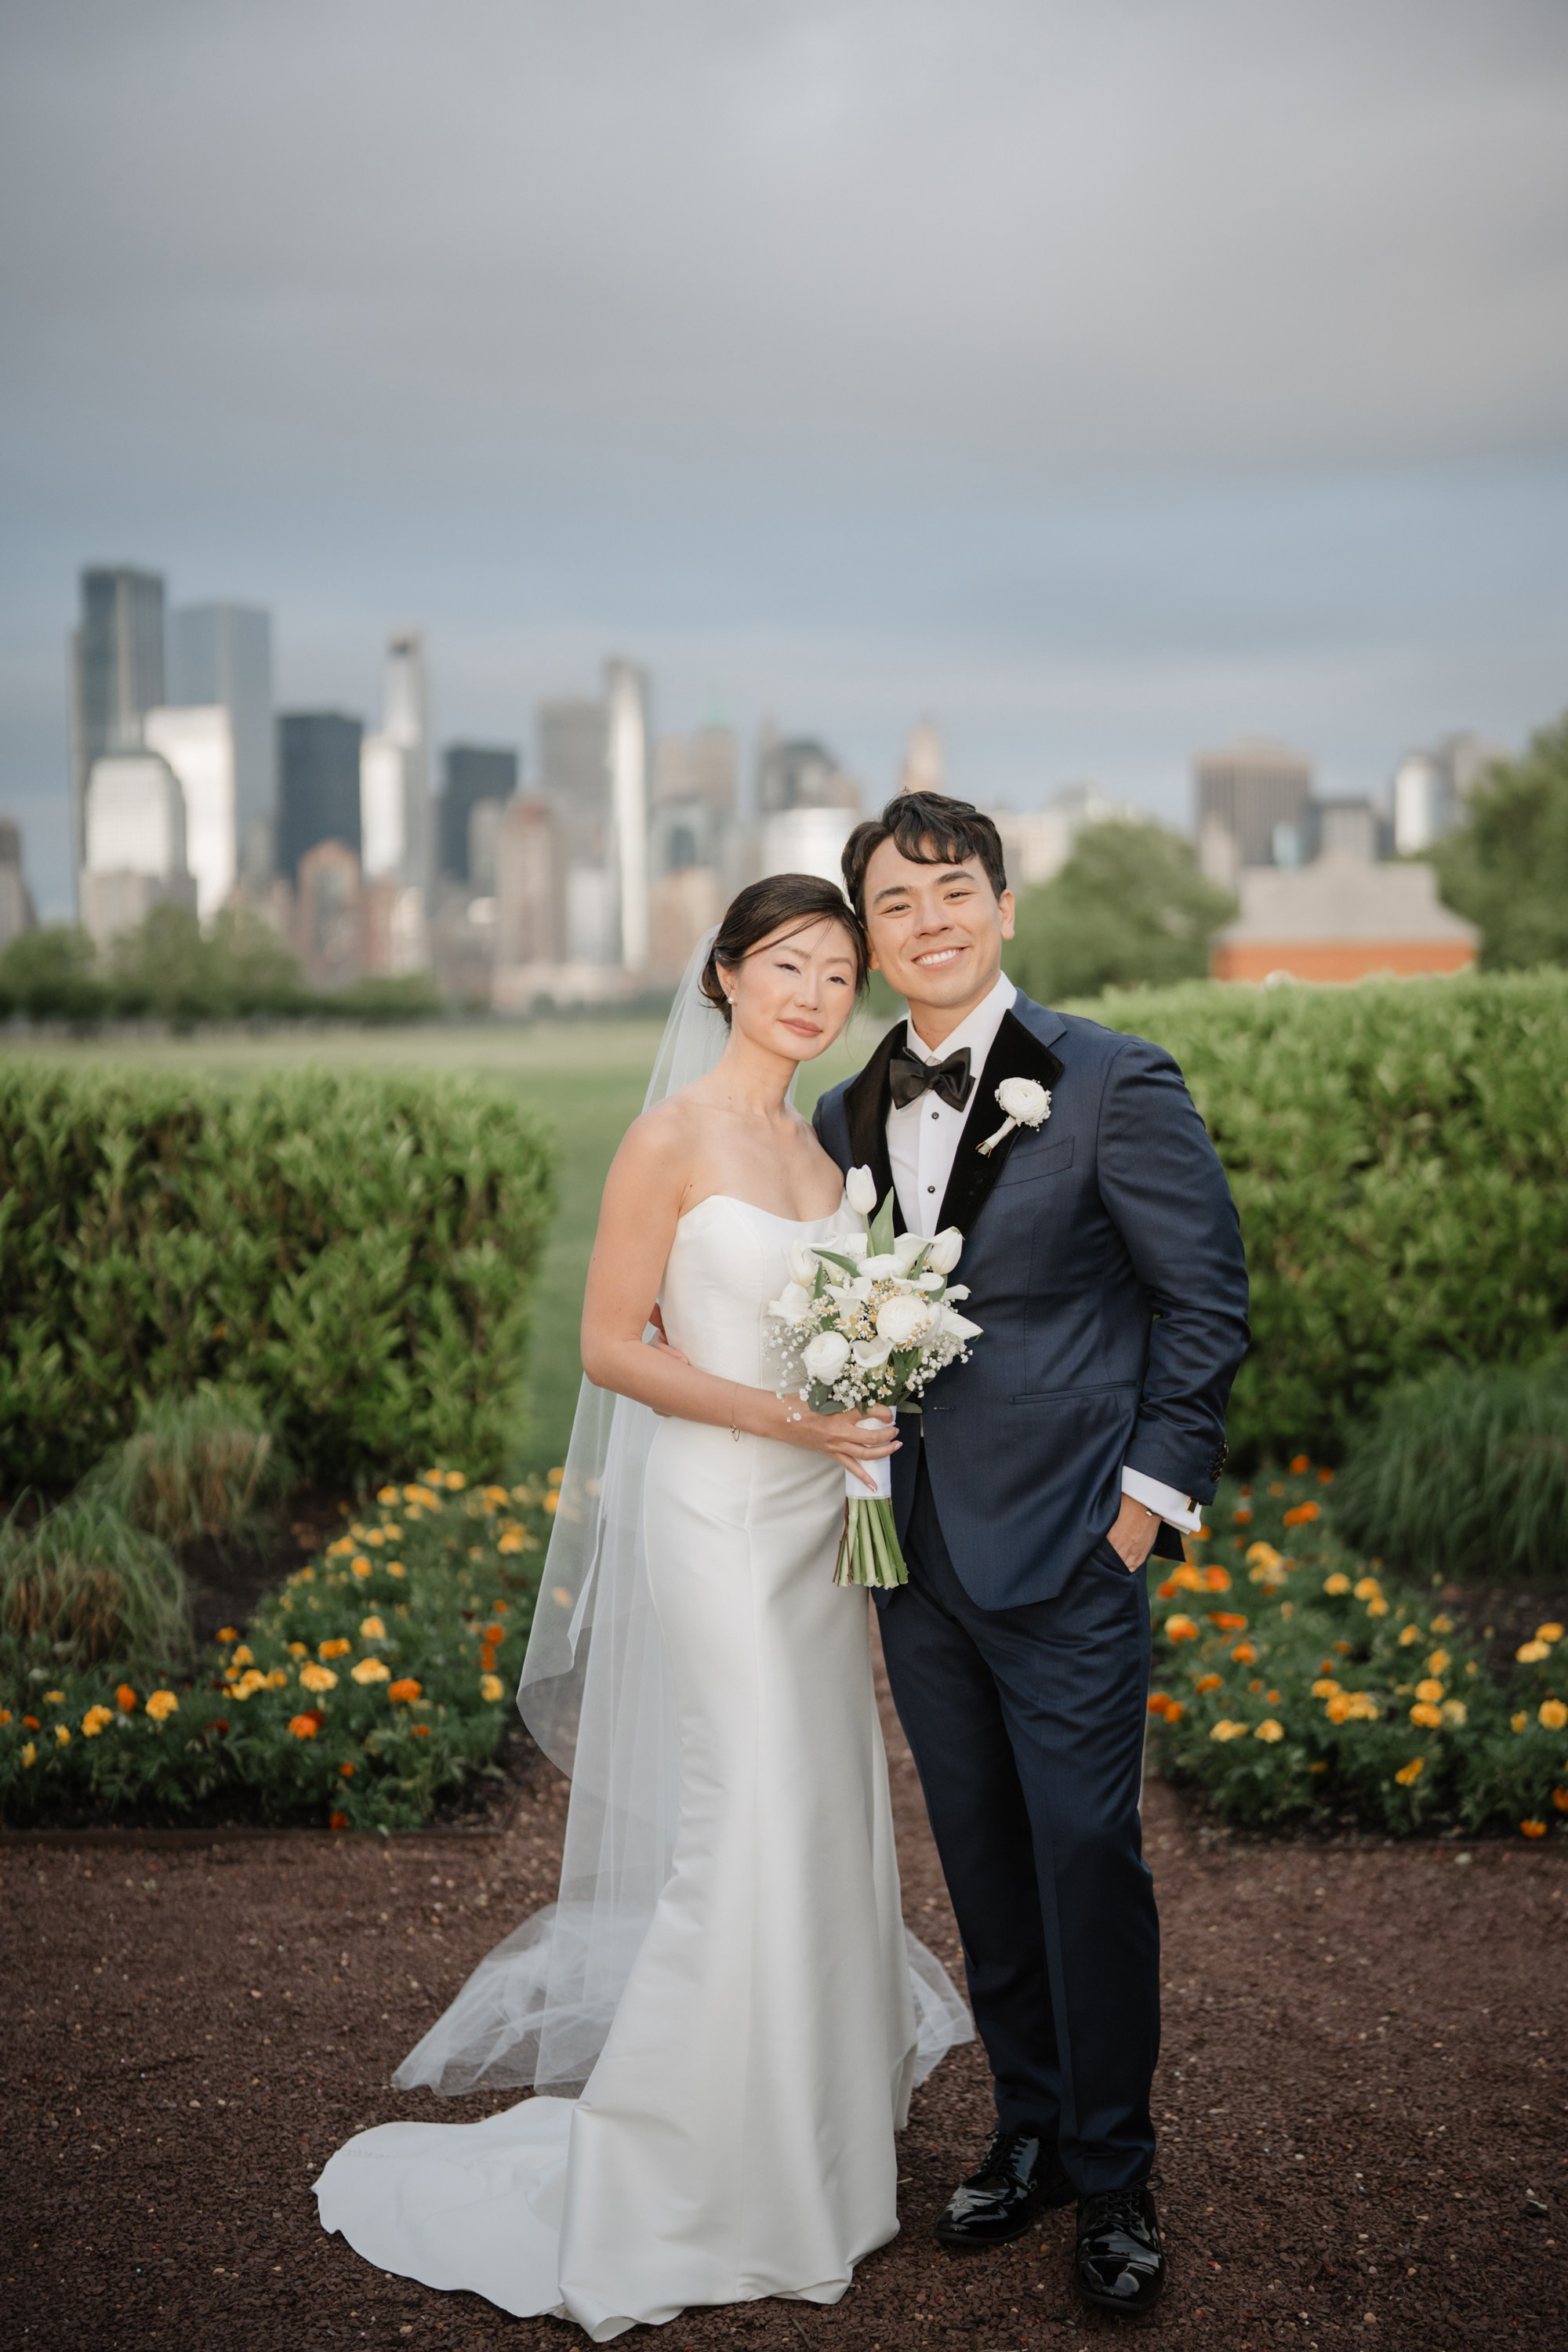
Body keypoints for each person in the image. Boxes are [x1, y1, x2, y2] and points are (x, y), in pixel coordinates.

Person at [314, 873, 970, 2340]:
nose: (814, 993)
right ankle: (689, 2158)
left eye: (836, 973)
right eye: (787, 964)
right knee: (742, 1808)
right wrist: (790, 1421)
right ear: (725, 974)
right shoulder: (666, 1138)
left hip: (815, 1520)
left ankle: (812, 2145)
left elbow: (848, 1335)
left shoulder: (818, 1146)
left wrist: (859, 1400)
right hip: (723, 1510)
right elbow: (613, 1348)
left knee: (824, 1806)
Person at [811, 790, 1250, 2314]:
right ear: (867, 939)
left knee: (1084, 1856)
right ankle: (1032, 2129)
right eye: (893, 905)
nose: (924, 923)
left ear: (1002, 908)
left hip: (1072, 1545)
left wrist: (1142, 1511)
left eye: (950, 894)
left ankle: (1117, 2176)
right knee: (984, 1860)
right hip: (913, 1554)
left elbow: (1204, 1307)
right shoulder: (846, 1110)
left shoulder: (1114, 1081)